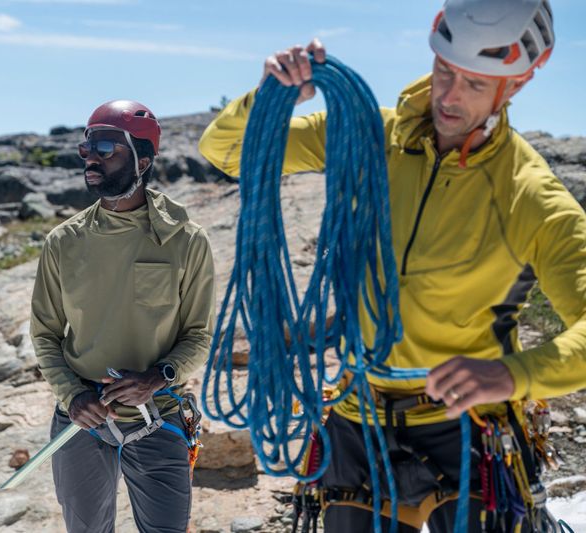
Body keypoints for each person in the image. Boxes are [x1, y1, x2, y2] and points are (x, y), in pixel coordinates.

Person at [199, 0, 585, 531]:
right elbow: (226, 151)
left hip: (466, 425)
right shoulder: (366, 136)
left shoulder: (530, 196)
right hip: (358, 417)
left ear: (515, 84)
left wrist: (511, 375)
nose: (449, 96)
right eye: (445, 71)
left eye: (475, 84)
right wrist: (269, 97)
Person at [30, 99, 215, 533]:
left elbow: (199, 335)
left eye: (106, 147)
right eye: (87, 148)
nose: (91, 157)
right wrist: (73, 397)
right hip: (81, 420)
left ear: (143, 159)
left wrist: (158, 376)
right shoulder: (63, 242)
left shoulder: (186, 241)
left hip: (160, 415)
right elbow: (45, 335)